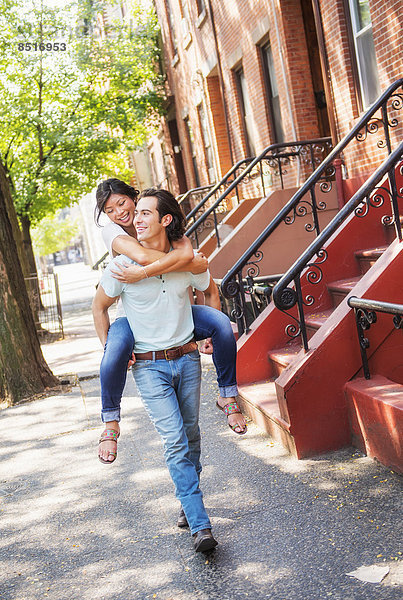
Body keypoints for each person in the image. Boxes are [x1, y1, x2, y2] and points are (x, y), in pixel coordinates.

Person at [92, 188, 221, 552]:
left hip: (188, 359)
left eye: (141, 211)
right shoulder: (121, 264)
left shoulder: (185, 258)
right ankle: (200, 525)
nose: (133, 217)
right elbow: (99, 307)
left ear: (164, 219)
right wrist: (113, 349)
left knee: (192, 436)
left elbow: (210, 290)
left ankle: (186, 500)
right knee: (175, 441)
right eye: (131, 214)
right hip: (149, 367)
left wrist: (211, 332)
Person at [95, 178, 247, 468]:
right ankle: (110, 423)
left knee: (221, 324)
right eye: (110, 209)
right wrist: (185, 261)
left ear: (134, 197)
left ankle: (227, 395)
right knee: (112, 355)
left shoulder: (164, 223)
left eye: (123, 203)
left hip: (173, 310)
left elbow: (190, 261)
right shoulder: (114, 232)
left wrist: (184, 259)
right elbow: (142, 256)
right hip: (132, 316)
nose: (120, 212)